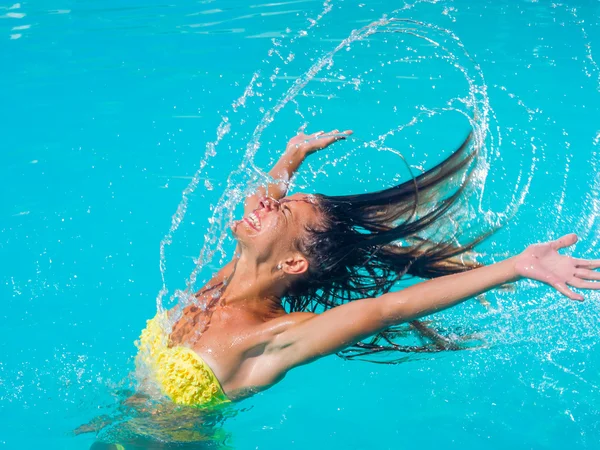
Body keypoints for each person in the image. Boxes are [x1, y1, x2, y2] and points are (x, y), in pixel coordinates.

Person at [131, 128, 600, 408]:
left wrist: (514, 267)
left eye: (283, 210)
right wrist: (292, 157)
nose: (263, 202)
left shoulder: (276, 337)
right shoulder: (224, 283)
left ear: (293, 262)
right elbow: (263, 200)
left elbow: (385, 310)